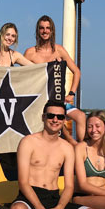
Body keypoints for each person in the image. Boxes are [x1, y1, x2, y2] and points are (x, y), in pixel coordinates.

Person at [24, 15, 86, 144]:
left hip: (58, 99)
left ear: (52, 31)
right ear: (37, 31)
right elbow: (22, 78)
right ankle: (70, 142)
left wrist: (71, 93)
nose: (45, 31)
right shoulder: (30, 53)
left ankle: (82, 148)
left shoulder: (59, 50)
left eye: (48, 28)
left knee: (81, 116)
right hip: (39, 101)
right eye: (42, 28)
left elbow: (76, 72)